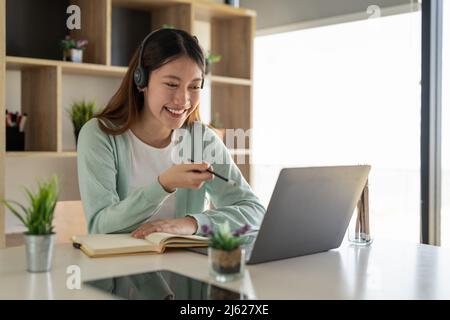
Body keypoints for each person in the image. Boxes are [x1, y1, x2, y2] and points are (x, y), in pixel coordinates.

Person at [77, 28, 265, 238]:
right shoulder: (99, 135)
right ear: (141, 81)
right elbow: (100, 226)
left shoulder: (201, 140)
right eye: (171, 84)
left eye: (194, 87)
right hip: (119, 266)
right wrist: (163, 185)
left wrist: (193, 223)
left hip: (182, 266)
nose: (183, 100)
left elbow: (255, 212)